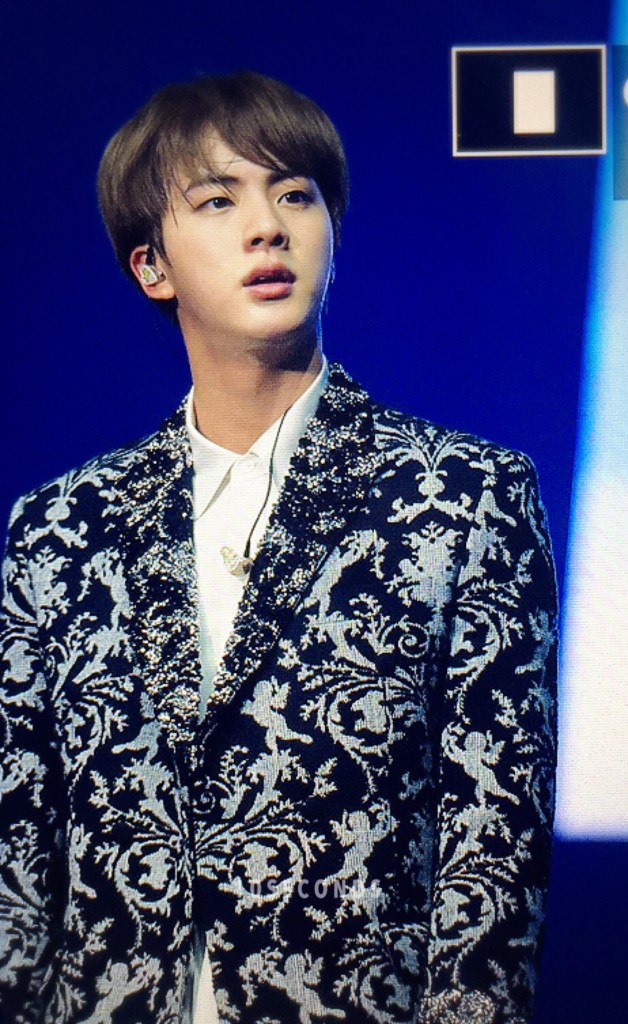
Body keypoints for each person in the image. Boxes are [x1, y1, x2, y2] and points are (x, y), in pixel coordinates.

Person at [0, 70, 557, 1024]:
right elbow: (17, 858)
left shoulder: (466, 499)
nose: (268, 227)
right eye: (218, 201)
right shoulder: (59, 527)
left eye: (295, 195)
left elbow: (493, 866)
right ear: (152, 267)